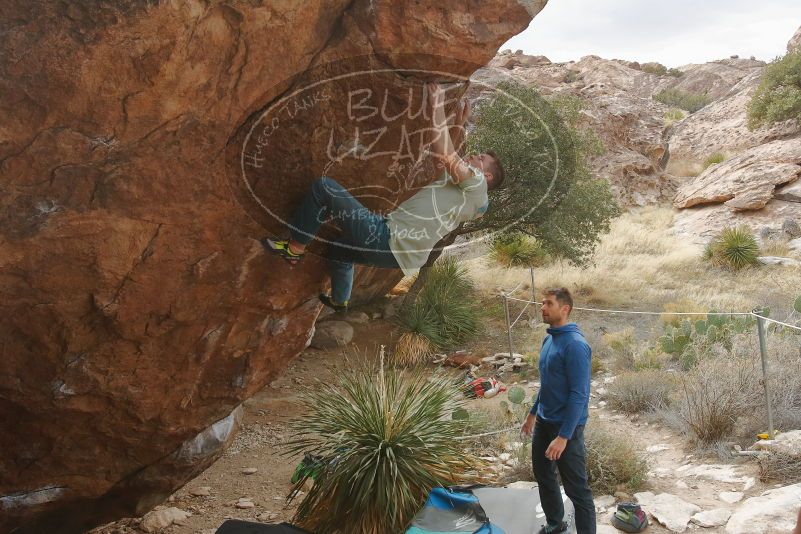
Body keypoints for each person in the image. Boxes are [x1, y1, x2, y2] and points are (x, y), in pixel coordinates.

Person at [263, 82, 505, 311]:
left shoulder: (475, 184)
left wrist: (437, 104)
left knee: (324, 188)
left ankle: (294, 248)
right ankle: (340, 301)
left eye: (480, 159)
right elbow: (441, 160)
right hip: (400, 257)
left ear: (487, 176)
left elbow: (445, 152)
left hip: (386, 239)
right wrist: (458, 125)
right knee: (339, 250)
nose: (474, 156)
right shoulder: (469, 197)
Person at [521, 287, 595, 534]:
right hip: (544, 421)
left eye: (548, 304)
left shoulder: (575, 345)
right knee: (543, 475)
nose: (542, 307)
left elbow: (579, 395)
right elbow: (548, 383)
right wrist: (533, 413)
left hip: (567, 429)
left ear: (565, 309)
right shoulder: (549, 338)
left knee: (577, 491)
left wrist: (563, 437)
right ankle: (555, 523)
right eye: (542, 303)